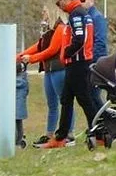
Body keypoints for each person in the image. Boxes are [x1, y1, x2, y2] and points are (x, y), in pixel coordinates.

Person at [40, 0, 100, 148]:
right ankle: (61, 136)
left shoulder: (76, 14)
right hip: (77, 63)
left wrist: (66, 53)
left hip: (78, 63)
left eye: (58, 3)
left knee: (84, 99)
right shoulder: (81, 13)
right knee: (66, 99)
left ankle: (99, 132)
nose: (59, 7)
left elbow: (79, 39)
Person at [18, 9, 74, 147]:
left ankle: (69, 133)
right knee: (51, 104)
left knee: (65, 102)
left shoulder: (61, 28)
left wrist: (32, 59)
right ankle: (49, 134)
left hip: (59, 69)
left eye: (45, 12)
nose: (43, 15)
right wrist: (19, 56)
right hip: (48, 69)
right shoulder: (47, 31)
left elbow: (52, 49)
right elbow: (39, 46)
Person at [78, 0, 108, 107]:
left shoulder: (97, 17)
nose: (79, 3)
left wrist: (89, 60)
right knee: (88, 96)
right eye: (77, 0)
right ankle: (99, 117)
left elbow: (100, 42)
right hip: (87, 61)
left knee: (93, 95)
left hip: (94, 62)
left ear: (92, 1)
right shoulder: (83, 17)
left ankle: (104, 117)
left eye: (82, 0)